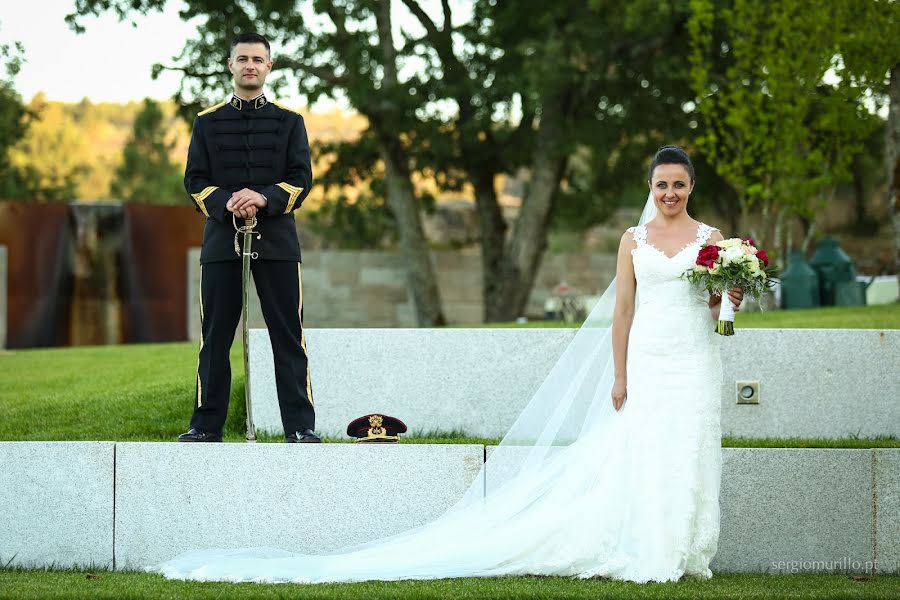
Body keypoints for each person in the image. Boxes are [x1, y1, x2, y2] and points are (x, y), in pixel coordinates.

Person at [154, 146, 743, 582]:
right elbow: (622, 315)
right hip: (647, 358)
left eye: (679, 185)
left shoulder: (714, 240)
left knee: (688, 445)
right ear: (651, 185)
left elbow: (710, 300)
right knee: (643, 447)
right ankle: (647, 546)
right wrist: (618, 376)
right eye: (662, 184)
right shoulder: (633, 240)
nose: (670, 193)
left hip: (694, 357)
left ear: (692, 187)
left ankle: (687, 549)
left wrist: (730, 297)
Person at [178, 32, 320, 444]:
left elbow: (300, 180)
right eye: (242, 59)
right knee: (214, 339)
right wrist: (228, 203)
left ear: (269, 67)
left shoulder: (290, 122)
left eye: (258, 59)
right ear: (230, 65)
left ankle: (300, 427)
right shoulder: (206, 123)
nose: (250, 66)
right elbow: (195, 181)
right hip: (222, 243)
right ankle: (205, 427)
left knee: (288, 338)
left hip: (277, 243)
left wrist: (262, 197)